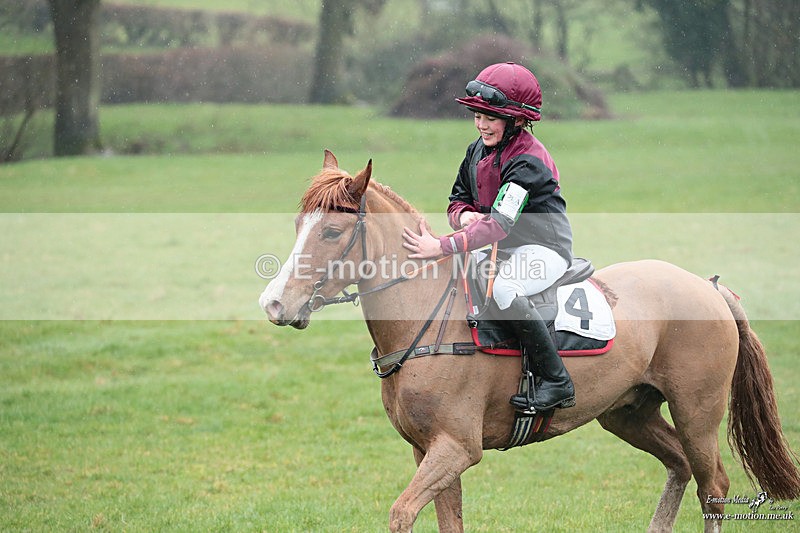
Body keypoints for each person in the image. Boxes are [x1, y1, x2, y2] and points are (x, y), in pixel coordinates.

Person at [402, 61, 575, 414]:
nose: (481, 124)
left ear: (516, 120)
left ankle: (557, 381)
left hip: (543, 249)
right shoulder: (476, 150)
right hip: (498, 247)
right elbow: (456, 201)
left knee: (503, 289)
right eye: (477, 116)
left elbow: (499, 225)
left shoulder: (528, 161)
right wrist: (464, 216)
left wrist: (441, 245)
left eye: (490, 117)